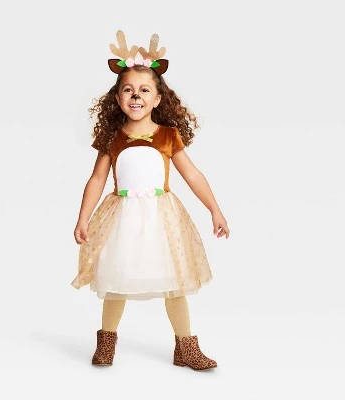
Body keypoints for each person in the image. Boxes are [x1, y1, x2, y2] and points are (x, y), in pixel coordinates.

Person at [71, 30, 230, 371]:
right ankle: (106, 342)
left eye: (144, 90)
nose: (136, 95)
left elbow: (192, 174)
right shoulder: (112, 138)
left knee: (174, 281)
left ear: (158, 99)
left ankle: (185, 347)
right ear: (117, 98)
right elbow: (97, 179)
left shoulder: (168, 136)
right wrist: (83, 217)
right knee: (116, 278)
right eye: (128, 89)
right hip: (122, 219)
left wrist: (215, 210)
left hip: (162, 220)